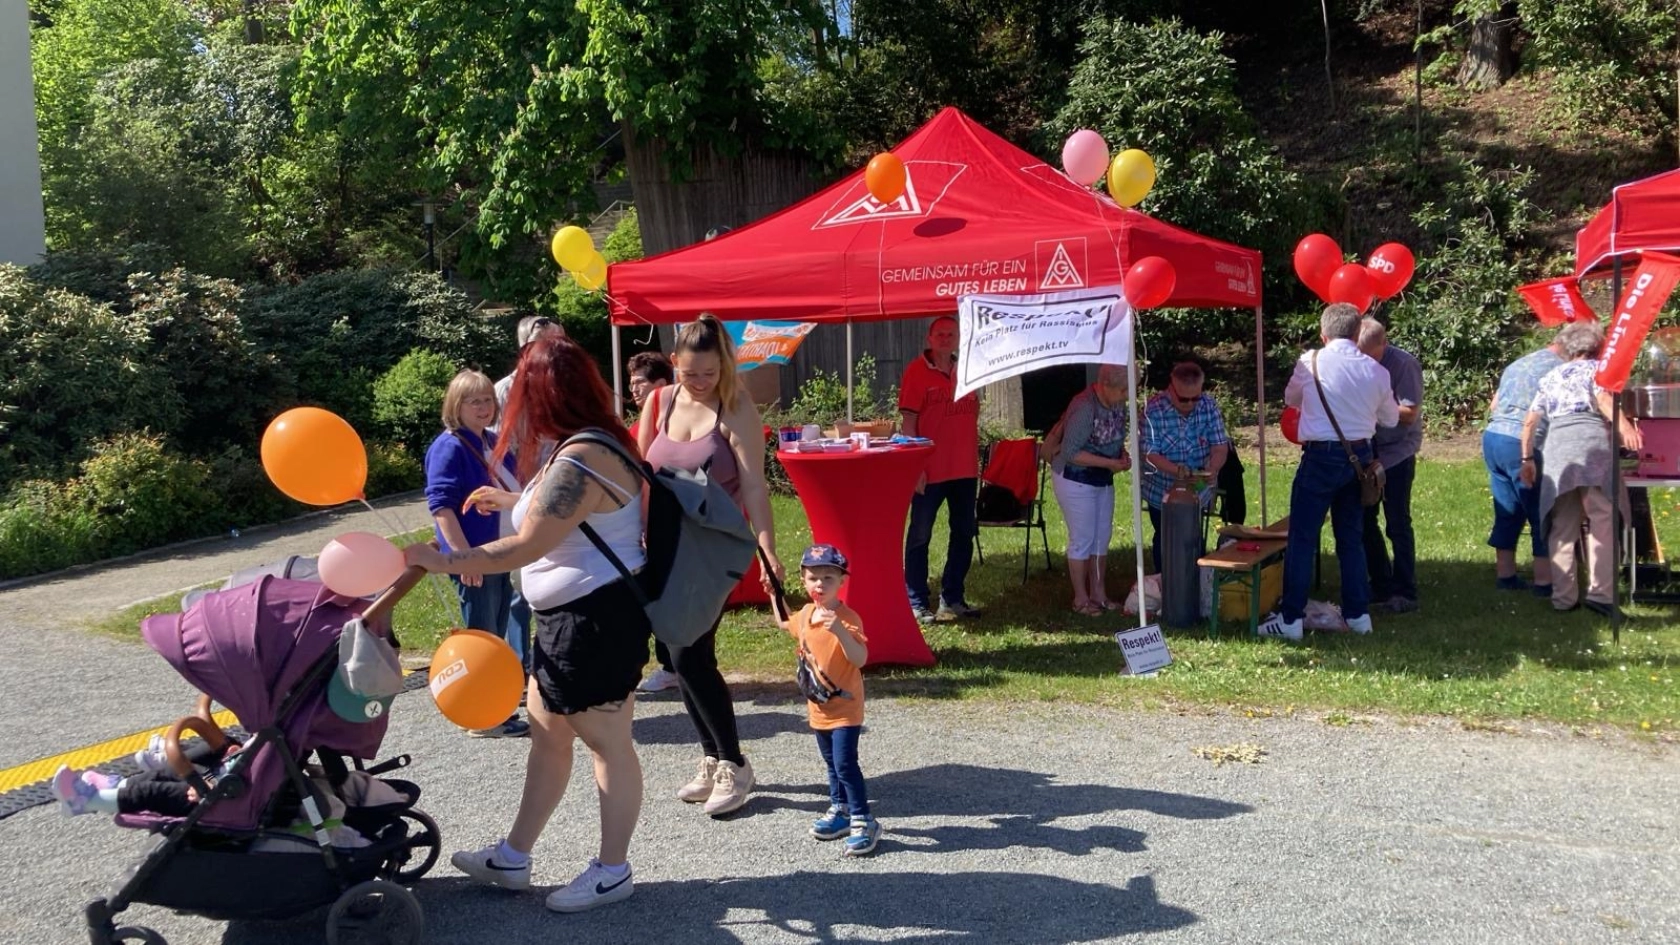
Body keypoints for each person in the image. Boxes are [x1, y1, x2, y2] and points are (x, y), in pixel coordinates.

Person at [406, 335, 653, 913]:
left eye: (519, 391)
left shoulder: (581, 457)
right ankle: (514, 856)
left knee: (609, 746)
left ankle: (613, 870)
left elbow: (524, 547)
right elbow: (550, 520)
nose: (508, 403)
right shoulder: (587, 445)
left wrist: (441, 559)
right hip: (572, 617)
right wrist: (510, 498)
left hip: (592, 618)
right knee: (547, 737)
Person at [636, 313, 782, 817]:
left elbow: (756, 487)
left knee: (692, 654)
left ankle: (734, 764)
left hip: (710, 549)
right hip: (661, 546)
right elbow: (640, 475)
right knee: (678, 657)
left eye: (707, 374)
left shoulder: (736, 409)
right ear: (673, 364)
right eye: (688, 373)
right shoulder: (659, 400)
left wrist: (767, 549)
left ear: (724, 366)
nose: (697, 383)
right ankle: (712, 756)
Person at [1259, 303, 1399, 642]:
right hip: (1359, 457)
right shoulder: (1377, 371)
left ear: (1324, 334)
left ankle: (1291, 619)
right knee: (1351, 539)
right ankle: (1359, 616)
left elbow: (1291, 398)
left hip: (1320, 456)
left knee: (1303, 539)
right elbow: (1391, 419)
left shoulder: (1311, 362)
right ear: (1356, 334)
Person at [424, 370, 530, 738]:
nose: (484, 407)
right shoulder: (450, 446)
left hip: (500, 554)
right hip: (476, 557)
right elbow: (442, 507)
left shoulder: (491, 440)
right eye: (475, 401)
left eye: (488, 399)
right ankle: (481, 715)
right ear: (457, 405)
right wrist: (462, 557)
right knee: (482, 635)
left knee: (496, 634)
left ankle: (494, 708)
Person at [1520, 320, 1641, 617]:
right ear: (1598, 347)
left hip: (1558, 450)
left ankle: (1563, 598)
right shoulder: (1599, 371)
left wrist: (1526, 460)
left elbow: (1530, 422)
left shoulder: (1551, 376)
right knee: (1602, 517)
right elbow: (1602, 398)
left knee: (1562, 523)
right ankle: (1601, 594)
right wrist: (1625, 427)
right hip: (1591, 446)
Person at [772, 543, 881, 857]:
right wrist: (772, 591)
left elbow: (860, 658)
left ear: (842, 581)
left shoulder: (847, 618)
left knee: (846, 764)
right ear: (803, 580)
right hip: (818, 707)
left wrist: (841, 633)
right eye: (813, 578)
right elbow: (783, 621)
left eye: (828, 578)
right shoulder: (806, 614)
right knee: (832, 764)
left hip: (846, 708)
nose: (820, 584)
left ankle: (864, 820)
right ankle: (841, 810)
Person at [899, 316, 984, 623]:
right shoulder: (916, 372)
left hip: (964, 470)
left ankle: (952, 598)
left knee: (963, 534)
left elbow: (973, 414)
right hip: (930, 471)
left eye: (951, 334)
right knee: (920, 536)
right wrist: (914, 465)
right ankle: (916, 601)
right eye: (941, 334)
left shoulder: (967, 370)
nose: (946, 338)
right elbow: (908, 422)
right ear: (929, 338)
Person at [1484, 332, 1565, 595]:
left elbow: (1494, 405)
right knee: (1540, 511)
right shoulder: (1560, 369)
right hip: (1522, 443)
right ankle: (1544, 583)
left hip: (1494, 437)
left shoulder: (1519, 363)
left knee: (1507, 509)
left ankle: (1505, 576)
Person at [1050, 365, 1133, 616]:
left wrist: (1121, 454)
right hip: (1075, 478)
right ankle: (1081, 599)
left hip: (1101, 478)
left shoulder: (1117, 403)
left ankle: (1099, 594)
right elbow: (1071, 452)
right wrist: (1110, 463)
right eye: (1122, 390)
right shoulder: (1085, 407)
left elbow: (1113, 438)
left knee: (1101, 537)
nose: (1126, 395)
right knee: (1083, 539)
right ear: (1105, 384)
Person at [1357, 319, 1424, 614]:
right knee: (1363, 519)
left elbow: (1409, 413)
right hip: (1366, 449)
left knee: (1397, 522)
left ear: (1384, 344)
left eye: (1372, 356)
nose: (1367, 363)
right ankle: (1381, 583)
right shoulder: (1356, 361)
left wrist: (1372, 405)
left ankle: (1404, 589)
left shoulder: (1404, 365)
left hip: (1396, 451)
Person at [1140, 358, 1230, 573]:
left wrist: (1213, 469)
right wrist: (1179, 472)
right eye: (1183, 399)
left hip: (1198, 488)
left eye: (1195, 398)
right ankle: (1165, 583)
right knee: (1165, 536)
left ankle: (1192, 583)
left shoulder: (1208, 406)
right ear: (1171, 387)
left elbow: (1220, 446)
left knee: (1192, 534)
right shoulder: (1153, 410)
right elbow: (1149, 453)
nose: (1190, 404)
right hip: (1162, 488)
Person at [624, 351, 680, 694]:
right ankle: (668, 663)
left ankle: (674, 665)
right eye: (630, 384)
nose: (633, 390)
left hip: (670, 524)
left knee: (666, 596)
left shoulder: (678, 420)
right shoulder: (636, 426)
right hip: (642, 524)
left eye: (639, 382)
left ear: (661, 384)